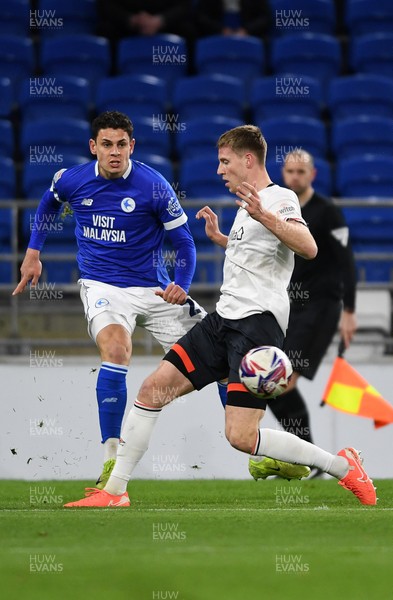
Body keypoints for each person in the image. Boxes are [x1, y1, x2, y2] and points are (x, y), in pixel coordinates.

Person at [62, 125, 376, 508]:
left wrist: (264, 215)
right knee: (151, 391)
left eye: (225, 162)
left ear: (248, 160)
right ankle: (114, 492)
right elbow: (259, 253)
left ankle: (342, 466)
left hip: (256, 326)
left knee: (242, 437)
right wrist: (223, 239)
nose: (219, 170)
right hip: (222, 321)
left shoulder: (278, 199)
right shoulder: (248, 206)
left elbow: (307, 247)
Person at [13, 110, 211, 488]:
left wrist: (181, 283)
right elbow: (48, 203)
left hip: (154, 289)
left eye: (122, 144)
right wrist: (33, 252)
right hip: (102, 286)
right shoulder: (72, 180)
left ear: (132, 146)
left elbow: (185, 243)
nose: (115, 152)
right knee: (117, 350)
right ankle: (110, 458)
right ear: (94, 147)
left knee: (219, 354)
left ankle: (249, 443)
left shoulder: (154, 186)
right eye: (107, 144)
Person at [248, 149, 357, 481]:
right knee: (273, 385)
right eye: (289, 171)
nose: (294, 177)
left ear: (312, 175)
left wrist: (349, 312)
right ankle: (307, 459)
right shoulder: (281, 208)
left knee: (280, 381)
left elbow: (347, 262)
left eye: (300, 172)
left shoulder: (328, 213)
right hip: (289, 307)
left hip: (322, 308)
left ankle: (308, 460)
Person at [96, 0, 193, 41]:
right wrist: (132, 19)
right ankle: (115, 76)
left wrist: (159, 21)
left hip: (165, 25)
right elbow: (105, 5)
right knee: (106, 31)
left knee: (188, 30)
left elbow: (184, 6)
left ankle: (185, 75)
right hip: (126, 26)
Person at [195, 0, 270, 38]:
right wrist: (220, 30)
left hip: (249, 34)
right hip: (215, 34)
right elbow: (201, 18)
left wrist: (247, 30)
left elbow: (264, 18)